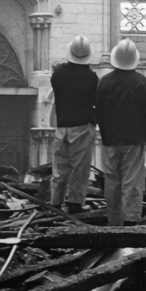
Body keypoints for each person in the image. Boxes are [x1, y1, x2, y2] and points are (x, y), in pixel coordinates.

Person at [95, 38, 146, 226]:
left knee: (112, 180)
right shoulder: (140, 81)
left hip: (111, 139)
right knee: (131, 180)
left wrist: (105, 135)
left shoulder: (104, 81)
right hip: (134, 139)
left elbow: (99, 112)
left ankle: (113, 219)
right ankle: (130, 219)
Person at [50, 35, 99, 214]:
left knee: (59, 167)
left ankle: (55, 202)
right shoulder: (91, 77)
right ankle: (75, 204)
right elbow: (97, 101)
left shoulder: (59, 72)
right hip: (82, 127)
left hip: (62, 125)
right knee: (79, 168)